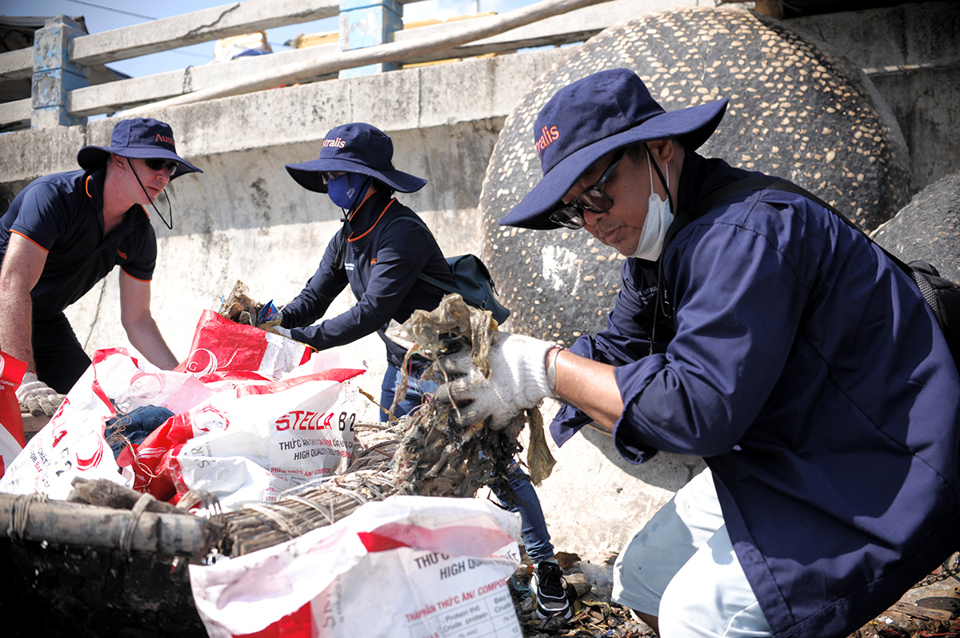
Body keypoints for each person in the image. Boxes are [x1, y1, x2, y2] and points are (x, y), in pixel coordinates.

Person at [433, 68, 960, 637]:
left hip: (885, 461)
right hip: (793, 445)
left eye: (596, 193)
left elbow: (698, 412)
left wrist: (543, 368)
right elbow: (618, 348)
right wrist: (510, 387)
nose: (592, 222)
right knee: (642, 576)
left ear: (659, 149)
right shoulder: (658, 244)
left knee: (697, 617)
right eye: (571, 211)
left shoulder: (744, 234)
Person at [280, 122, 570, 619]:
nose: (329, 184)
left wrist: (303, 339)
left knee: (496, 466)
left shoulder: (402, 231)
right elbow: (312, 299)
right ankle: (440, 577)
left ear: (366, 179)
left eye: (337, 175)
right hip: (402, 369)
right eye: (325, 175)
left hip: (452, 372)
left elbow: (371, 311)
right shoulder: (347, 235)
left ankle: (546, 570)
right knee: (403, 471)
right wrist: (267, 320)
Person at [0, 117, 202, 417]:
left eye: (169, 168)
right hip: (7, 304)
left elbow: (138, 320)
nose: (163, 175)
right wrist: (24, 378)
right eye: (155, 162)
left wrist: (185, 381)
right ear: (118, 160)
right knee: (15, 407)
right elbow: (12, 285)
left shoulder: (139, 233)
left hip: (42, 318)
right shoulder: (54, 197)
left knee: (95, 410)